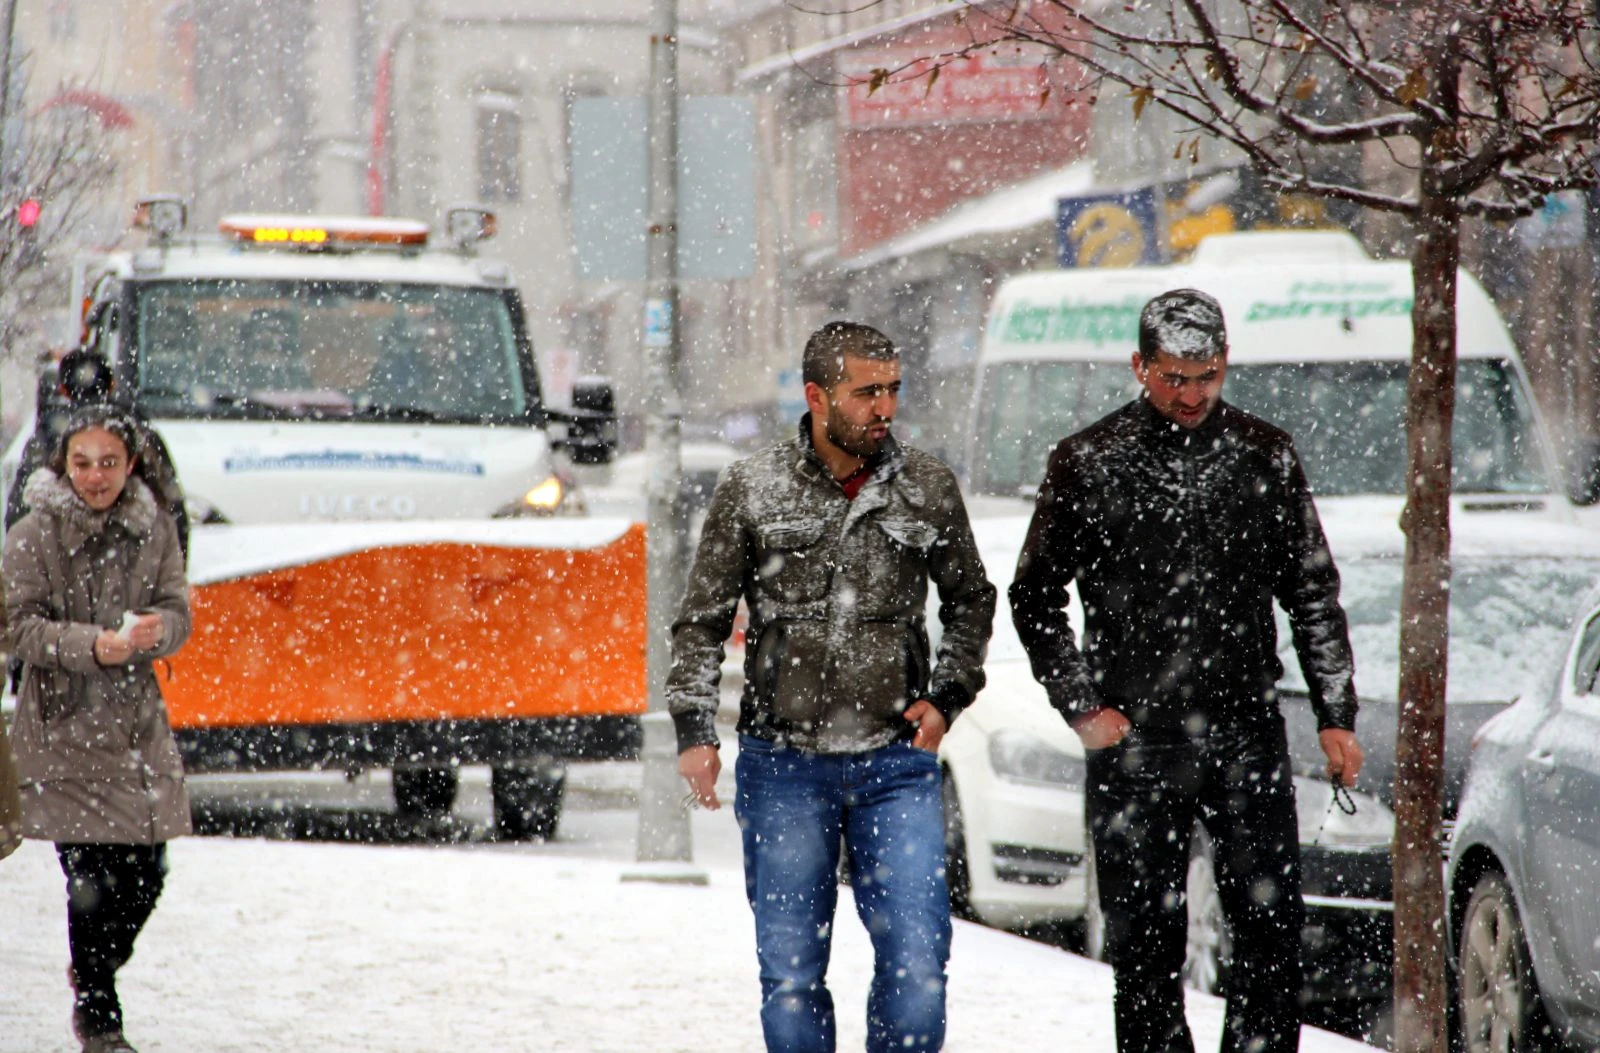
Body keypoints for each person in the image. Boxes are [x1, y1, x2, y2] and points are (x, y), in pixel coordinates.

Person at [1009, 289, 1364, 1053]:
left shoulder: (1264, 453)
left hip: (1244, 725)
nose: (1192, 394)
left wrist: (1336, 711)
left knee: (1271, 937)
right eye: (1174, 377)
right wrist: (1081, 705)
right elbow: (1035, 596)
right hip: (1135, 738)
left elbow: (1311, 590)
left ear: (1225, 363)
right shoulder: (1088, 460)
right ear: (1140, 367)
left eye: (1207, 375)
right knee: (1143, 951)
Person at [670, 321, 995, 1053]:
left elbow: (972, 599)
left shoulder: (926, 485)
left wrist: (946, 696)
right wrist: (695, 730)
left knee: (918, 969)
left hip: (895, 763)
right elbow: (700, 620)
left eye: (892, 390)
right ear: (818, 396)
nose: (884, 408)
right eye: (865, 392)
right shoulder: (752, 487)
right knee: (790, 976)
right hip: (783, 764)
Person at [4, 405, 192, 1053]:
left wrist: (157, 631)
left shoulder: (156, 528)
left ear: (131, 463)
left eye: (109, 461)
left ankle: (93, 972)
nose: (95, 475)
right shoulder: (33, 534)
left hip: (136, 725)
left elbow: (178, 609)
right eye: (82, 462)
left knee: (146, 871)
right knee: (89, 874)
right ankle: (100, 1019)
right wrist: (93, 645)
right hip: (63, 724)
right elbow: (15, 625)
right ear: (64, 464)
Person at [5, 348, 190, 559]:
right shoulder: (141, 435)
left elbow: (18, 516)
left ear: (63, 390)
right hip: (133, 572)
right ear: (112, 385)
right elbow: (173, 511)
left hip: (62, 574)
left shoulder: (48, 439)